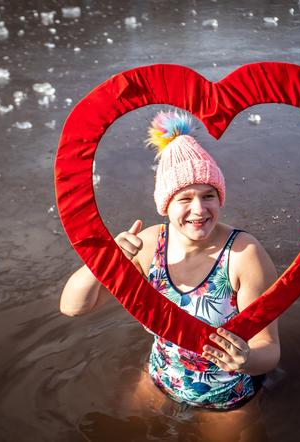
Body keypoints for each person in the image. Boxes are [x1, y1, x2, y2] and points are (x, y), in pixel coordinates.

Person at [60, 110, 280, 412]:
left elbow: (269, 348)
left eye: (208, 195)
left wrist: (248, 360)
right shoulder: (149, 245)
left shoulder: (244, 255)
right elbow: (74, 307)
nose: (199, 209)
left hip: (228, 391)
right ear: (165, 203)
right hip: (161, 378)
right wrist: (105, 260)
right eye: (184, 198)